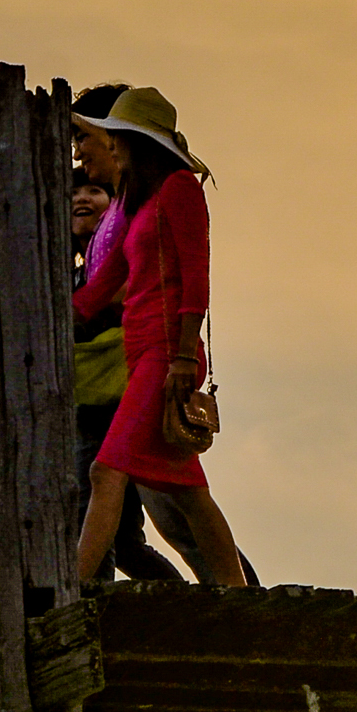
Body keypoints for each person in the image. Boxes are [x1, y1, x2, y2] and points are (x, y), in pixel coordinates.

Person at [70, 87, 249, 586]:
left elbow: (197, 278)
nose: (113, 146)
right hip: (141, 352)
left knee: (106, 472)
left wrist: (182, 363)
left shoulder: (179, 189)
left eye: (120, 137)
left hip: (167, 354)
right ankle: (238, 592)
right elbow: (104, 284)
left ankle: (76, 586)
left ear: (136, 141)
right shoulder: (136, 200)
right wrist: (62, 318)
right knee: (190, 493)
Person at [71, 164, 182, 583]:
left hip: (131, 390)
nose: (82, 198)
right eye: (74, 193)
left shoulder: (122, 243)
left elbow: (133, 290)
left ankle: (231, 587)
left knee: (174, 507)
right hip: (91, 403)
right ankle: (170, 596)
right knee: (119, 534)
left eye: (94, 190)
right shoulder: (76, 268)